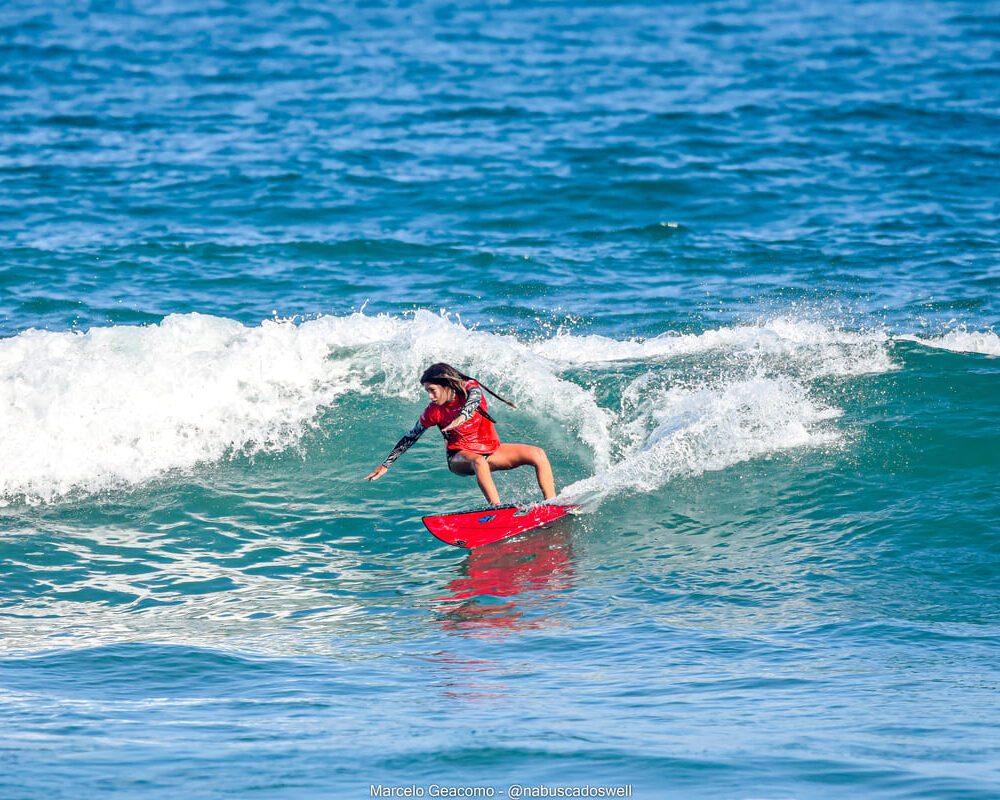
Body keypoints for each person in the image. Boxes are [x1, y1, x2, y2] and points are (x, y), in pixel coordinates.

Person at [365, 362, 556, 506]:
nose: (430, 397)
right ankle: (497, 511)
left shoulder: (470, 388)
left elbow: (474, 399)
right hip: (459, 457)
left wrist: (462, 416)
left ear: (447, 385)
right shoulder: (433, 411)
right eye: (427, 392)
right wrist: (386, 464)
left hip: (491, 451)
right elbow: (411, 436)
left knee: (537, 454)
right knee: (478, 461)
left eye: (432, 390)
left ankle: (551, 505)